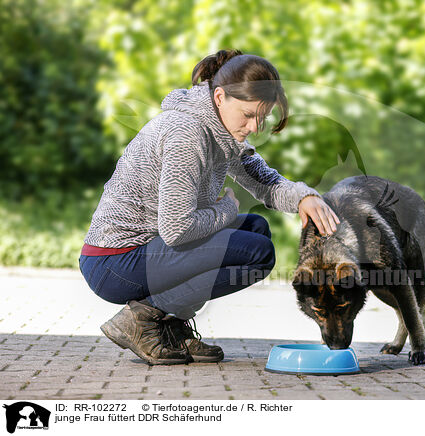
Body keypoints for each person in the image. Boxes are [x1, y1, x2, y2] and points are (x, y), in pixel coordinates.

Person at [79, 49, 339, 365]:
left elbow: (262, 180)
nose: (255, 127)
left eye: (263, 117)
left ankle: (171, 328)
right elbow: (177, 230)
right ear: (219, 96)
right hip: (115, 261)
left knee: (256, 229)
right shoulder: (187, 132)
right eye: (248, 115)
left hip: (146, 251)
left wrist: (303, 197)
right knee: (257, 252)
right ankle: (144, 320)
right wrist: (226, 211)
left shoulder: (223, 132)